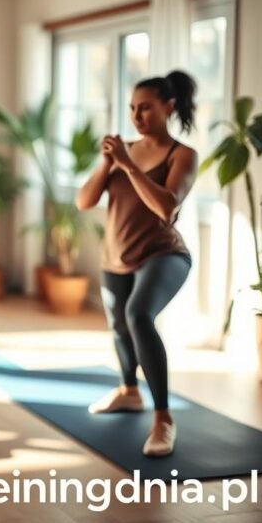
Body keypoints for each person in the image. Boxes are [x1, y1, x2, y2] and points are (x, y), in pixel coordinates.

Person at [76, 70, 199, 457]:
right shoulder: (122, 151)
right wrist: (106, 163)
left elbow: (166, 207)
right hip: (117, 255)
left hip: (164, 254)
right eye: (132, 109)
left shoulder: (183, 155)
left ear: (168, 107)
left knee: (138, 314)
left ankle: (164, 418)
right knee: (119, 326)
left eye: (145, 108)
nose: (137, 116)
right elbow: (84, 201)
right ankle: (129, 391)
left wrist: (128, 165)